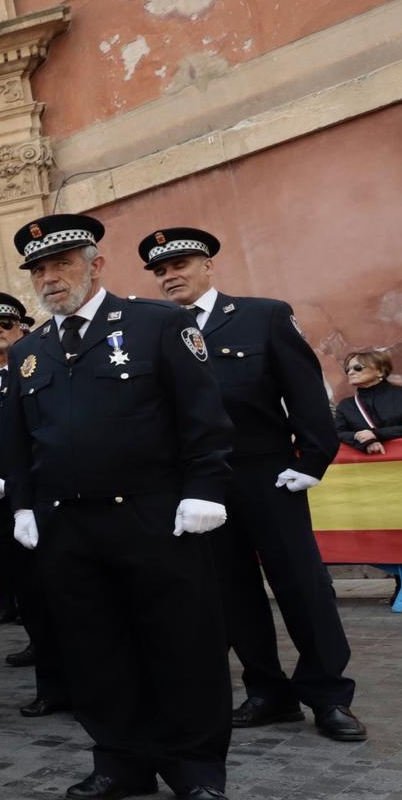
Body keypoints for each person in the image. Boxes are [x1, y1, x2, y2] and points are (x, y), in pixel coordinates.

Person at [2, 214, 237, 800]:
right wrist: (24, 504)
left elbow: (202, 414)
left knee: (182, 642)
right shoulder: (29, 352)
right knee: (94, 649)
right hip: (68, 528)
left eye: (61, 263)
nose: (50, 278)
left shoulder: (157, 324)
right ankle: (121, 757)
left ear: (94, 264)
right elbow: (20, 441)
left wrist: (204, 487)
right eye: (39, 269)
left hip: (155, 516)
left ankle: (196, 769)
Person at [141, 227, 364, 741]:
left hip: (268, 473)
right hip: (201, 481)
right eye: (160, 270)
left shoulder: (262, 315)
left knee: (302, 586)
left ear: (207, 265)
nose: (170, 276)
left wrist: (313, 458)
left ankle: (328, 694)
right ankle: (267, 691)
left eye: (180, 265)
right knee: (231, 592)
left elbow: (304, 389)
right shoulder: (157, 331)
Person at [0, 292, 69, 718]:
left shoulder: (46, 376)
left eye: (6, 323)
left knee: (69, 595)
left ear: (23, 329)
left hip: (48, 505)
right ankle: (52, 686)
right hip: (0, 514)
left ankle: (86, 683)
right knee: (29, 601)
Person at [334, 348, 402, 453]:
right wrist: (366, 441)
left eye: (357, 368)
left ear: (380, 371)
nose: (350, 373)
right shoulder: (346, 405)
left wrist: (377, 434)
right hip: (368, 465)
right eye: (347, 369)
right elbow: (337, 433)